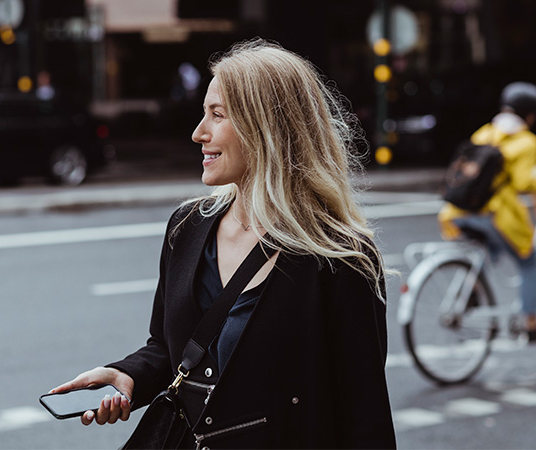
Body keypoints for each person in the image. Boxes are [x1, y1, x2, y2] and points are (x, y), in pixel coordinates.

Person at [51, 38, 396, 448]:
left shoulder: (341, 256)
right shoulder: (188, 227)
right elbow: (168, 347)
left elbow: (365, 417)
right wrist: (130, 376)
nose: (199, 133)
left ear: (268, 126)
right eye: (203, 114)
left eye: (218, 115)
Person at [438, 81, 536, 340]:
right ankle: (533, 324)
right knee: (530, 262)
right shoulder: (527, 142)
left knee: (486, 247)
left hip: (457, 211)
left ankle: (471, 289)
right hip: (492, 215)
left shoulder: (485, 132)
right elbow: (523, 183)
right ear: (530, 115)